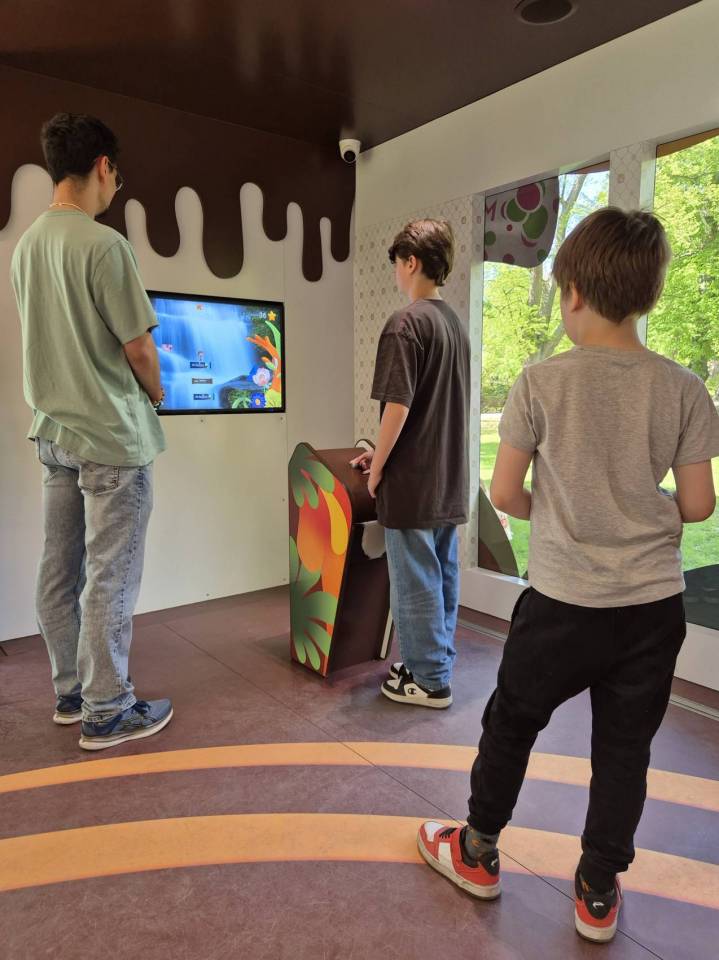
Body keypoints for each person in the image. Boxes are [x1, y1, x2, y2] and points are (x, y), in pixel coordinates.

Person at [417, 207, 719, 941]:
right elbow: (697, 505)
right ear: (647, 295)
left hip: (561, 603)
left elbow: (505, 493)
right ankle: (597, 890)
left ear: (574, 292)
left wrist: (555, 513)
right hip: (651, 609)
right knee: (624, 749)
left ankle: (477, 851)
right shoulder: (682, 387)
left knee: (512, 722)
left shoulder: (540, 381)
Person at [11, 113, 173, 750]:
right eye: (116, 177)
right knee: (111, 574)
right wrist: (156, 394)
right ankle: (108, 710)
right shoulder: (104, 245)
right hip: (109, 437)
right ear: (103, 167)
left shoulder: (27, 247)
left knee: (59, 568)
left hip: (54, 435)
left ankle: (72, 693)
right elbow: (140, 349)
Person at [351, 219, 470, 709]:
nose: (397, 274)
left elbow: (397, 408)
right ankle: (433, 662)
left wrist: (378, 468)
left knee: (415, 581)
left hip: (413, 483)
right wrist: (379, 453)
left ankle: (429, 680)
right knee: (441, 576)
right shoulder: (453, 324)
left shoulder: (405, 324)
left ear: (411, 262)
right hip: (447, 479)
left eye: (398, 265)